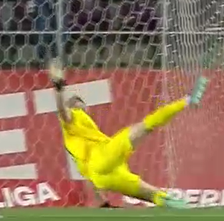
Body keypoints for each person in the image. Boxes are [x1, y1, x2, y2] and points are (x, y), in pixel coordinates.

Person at [48, 59, 208, 208]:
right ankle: (187, 100)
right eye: (80, 103)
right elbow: (62, 111)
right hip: (103, 157)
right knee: (145, 126)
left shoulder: (77, 138)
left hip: (104, 176)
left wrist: (102, 203)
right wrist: (59, 89)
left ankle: (185, 208)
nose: (84, 106)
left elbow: (88, 177)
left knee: (153, 195)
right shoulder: (73, 117)